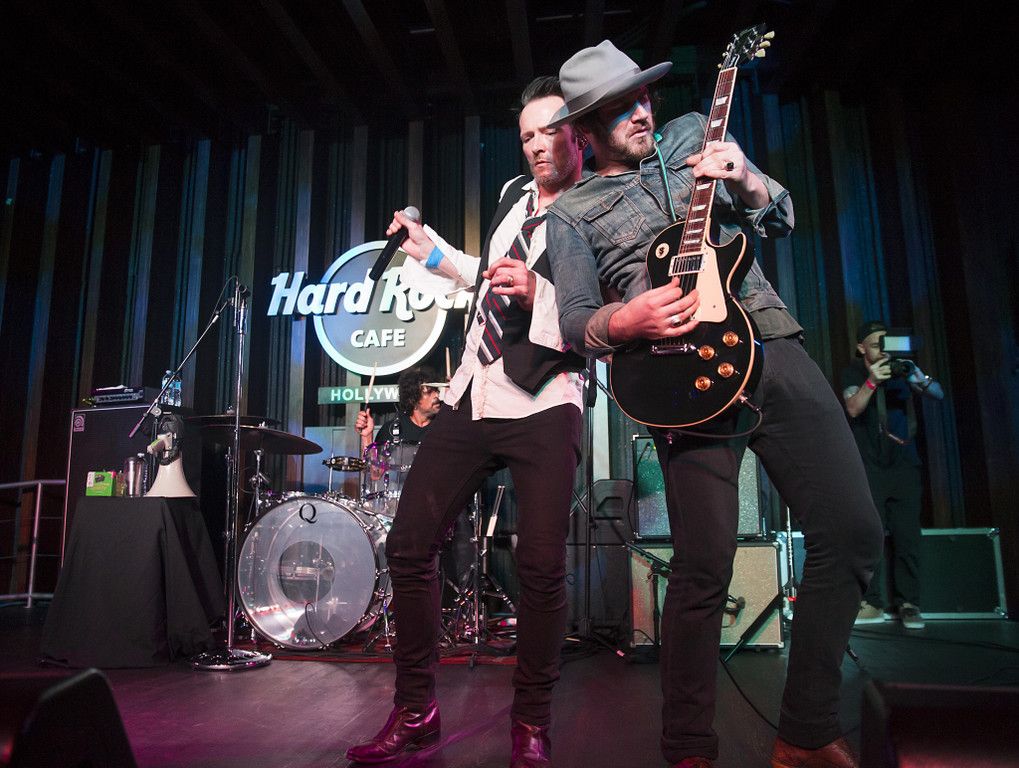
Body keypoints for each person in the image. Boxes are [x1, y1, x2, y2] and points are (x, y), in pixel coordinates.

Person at [544, 41, 883, 768]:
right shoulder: (571, 213)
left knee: (853, 533)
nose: (641, 112)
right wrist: (624, 320)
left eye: (642, 96)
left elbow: (780, 218)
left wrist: (749, 179)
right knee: (704, 567)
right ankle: (688, 746)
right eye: (619, 108)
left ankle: (806, 730)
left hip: (768, 342)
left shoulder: (695, 133)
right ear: (584, 130)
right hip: (676, 380)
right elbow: (574, 322)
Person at [345, 75, 587, 768]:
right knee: (407, 546)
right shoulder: (514, 196)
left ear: (579, 134)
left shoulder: (599, 209)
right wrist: (430, 249)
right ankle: (416, 711)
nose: (536, 146)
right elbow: (486, 275)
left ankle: (531, 723)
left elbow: (597, 316)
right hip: (474, 389)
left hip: (545, 398)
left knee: (540, 567)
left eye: (549, 131)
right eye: (526, 136)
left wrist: (540, 291)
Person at [843, 321, 944, 631]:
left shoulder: (902, 370)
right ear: (861, 347)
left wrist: (916, 376)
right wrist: (872, 382)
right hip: (870, 467)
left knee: (907, 536)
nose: (882, 351)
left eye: (886, 344)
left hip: (904, 465)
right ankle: (871, 602)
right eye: (876, 345)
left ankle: (909, 604)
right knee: (870, 535)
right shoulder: (854, 373)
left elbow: (937, 394)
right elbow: (853, 408)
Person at [355, 366, 442, 453]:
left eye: (436, 390)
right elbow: (373, 462)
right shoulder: (391, 430)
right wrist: (367, 437)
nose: (437, 395)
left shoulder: (444, 427)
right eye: (429, 392)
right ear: (412, 399)